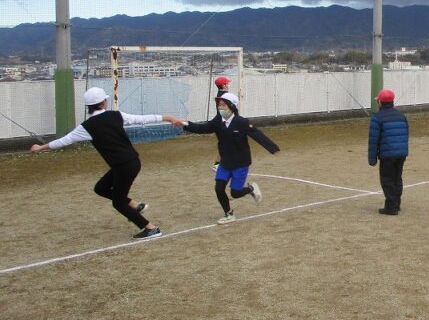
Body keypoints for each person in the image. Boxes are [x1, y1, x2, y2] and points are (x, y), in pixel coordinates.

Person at [29, 87, 183, 239]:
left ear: (89, 107)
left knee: (118, 202)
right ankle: (137, 206)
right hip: (128, 163)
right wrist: (168, 117)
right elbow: (142, 119)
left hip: (124, 166)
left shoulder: (86, 127)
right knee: (101, 188)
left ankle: (151, 229)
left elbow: (63, 141)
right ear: (103, 103)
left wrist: (40, 147)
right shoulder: (116, 115)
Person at [182, 92, 279, 224]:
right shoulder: (217, 122)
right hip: (225, 162)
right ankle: (228, 214)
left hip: (240, 162)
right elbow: (201, 128)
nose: (221, 108)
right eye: (219, 105)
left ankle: (250, 189)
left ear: (232, 106)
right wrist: (183, 123)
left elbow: (258, 135)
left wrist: (273, 149)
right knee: (218, 188)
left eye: (224, 105)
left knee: (235, 193)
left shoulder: (241, 122)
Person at [368, 89, 409, 216]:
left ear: (380, 102)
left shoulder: (377, 118)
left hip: (387, 154)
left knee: (387, 180)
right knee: (397, 178)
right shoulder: (401, 116)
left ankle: (391, 207)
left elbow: (373, 140)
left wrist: (372, 159)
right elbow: (406, 134)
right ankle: (396, 203)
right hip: (401, 153)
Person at [211, 76, 231, 171]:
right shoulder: (224, 96)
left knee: (225, 144)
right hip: (222, 122)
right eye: (227, 83)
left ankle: (218, 164)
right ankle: (216, 165)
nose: (228, 85)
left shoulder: (222, 94)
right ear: (223, 85)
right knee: (225, 144)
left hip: (221, 120)